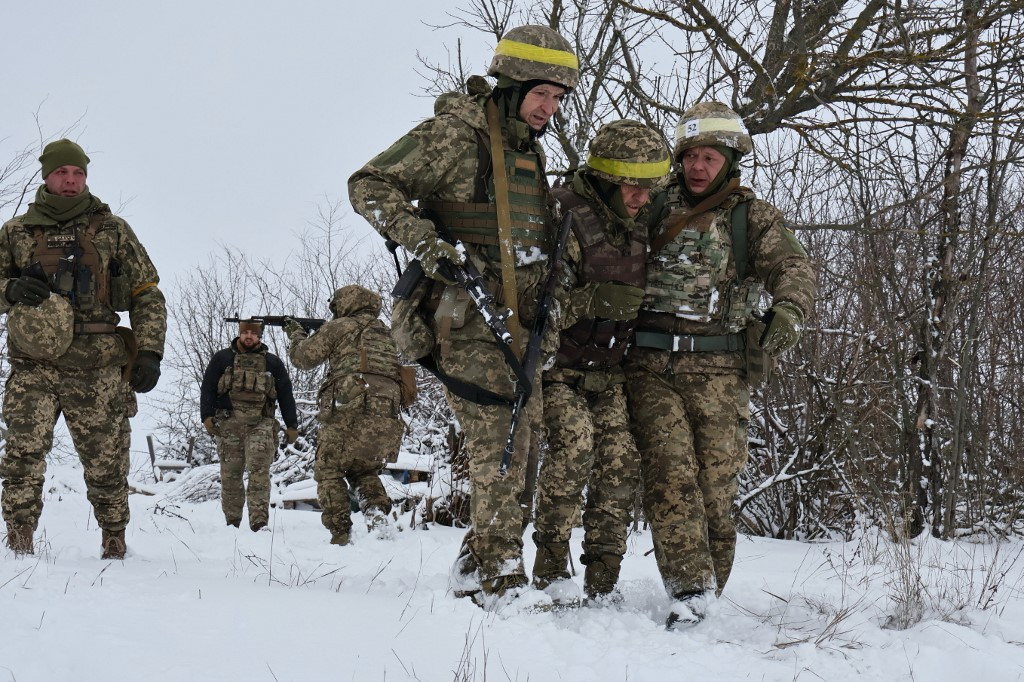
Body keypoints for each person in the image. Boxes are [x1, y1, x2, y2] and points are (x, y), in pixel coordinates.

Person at [348, 25, 579, 609]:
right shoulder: (457, 135)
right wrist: (424, 243)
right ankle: (502, 576)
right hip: (469, 318)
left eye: (557, 99)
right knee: (497, 445)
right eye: (541, 95)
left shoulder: (527, 148)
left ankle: (476, 564)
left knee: (519, 454)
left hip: (521, 325)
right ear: (511, 85)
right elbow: (369, 183)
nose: (549, 110)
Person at [624, 102, 817, 629]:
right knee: (670, 473)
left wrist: (791, 309)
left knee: (716, 485)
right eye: (691, 156)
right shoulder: (651, 204)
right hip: (649, 364)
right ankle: (688, 591)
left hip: (720, 371)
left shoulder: (750, 217)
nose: (698, 167)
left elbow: (794, 266)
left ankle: (709, 587)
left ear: (730, 161)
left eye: (710, 157)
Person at [0, 138, 166, 559]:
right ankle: (19, 540)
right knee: (21, 457)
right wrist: (11, 288)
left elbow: (147, 291)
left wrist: (149, 351)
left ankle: (114, 536)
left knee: (107, 463)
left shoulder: (112, 230)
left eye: (78, 173)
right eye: (62, 173)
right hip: (32, 367)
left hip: (96, 368)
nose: (71, 180)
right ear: (47, 176)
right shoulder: (16, 232)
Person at [531, 120, 670, 605]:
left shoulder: (634, 222)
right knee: (574, 450)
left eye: (648, 188)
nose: (641, 198)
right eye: (633, 186)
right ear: (608, 180)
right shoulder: (562, 214)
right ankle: (549, 568)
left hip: (608, 374)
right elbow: (534, 302)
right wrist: (594, 301)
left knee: (621, 461)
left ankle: (603, 579)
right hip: (558, 370)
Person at [285, 285, 404, 545]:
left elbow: (302, 359)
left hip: (349, 407)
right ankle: (376, 517)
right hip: (387, 412)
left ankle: (340, 533)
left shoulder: (339, 327)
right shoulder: (385, 331)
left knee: (329, 469)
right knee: (364, 469)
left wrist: (295, 334)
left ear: (346, 303)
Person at [200, 319, 298, 531]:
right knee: (230, 474)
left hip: (261, 424)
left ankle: (259, 522)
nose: (249, 337)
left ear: (259, 336)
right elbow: (207, 387)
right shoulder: (222, 358)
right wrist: (206, 417)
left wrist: (292, 425)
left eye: (253, 334)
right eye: (245, 333)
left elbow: (285, 395)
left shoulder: (273, 363)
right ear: (239, 334)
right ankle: (232, 523)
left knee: (259, 472)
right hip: (229, 423)